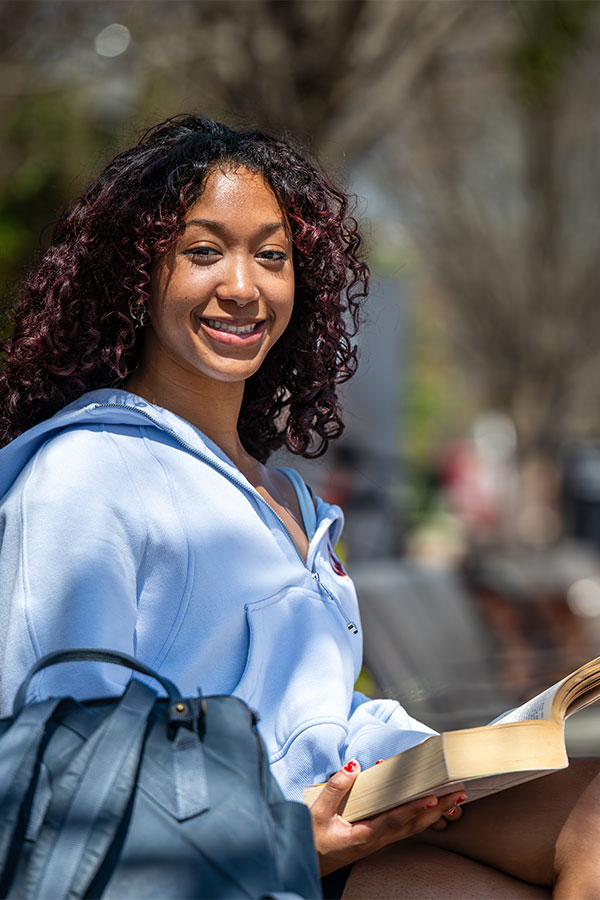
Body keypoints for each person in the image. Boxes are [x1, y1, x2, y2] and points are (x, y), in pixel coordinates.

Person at [0, 114, 599, 899]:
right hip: (227, 858)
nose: (244, 286)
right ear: (136, 273)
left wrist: (444, 752)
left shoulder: (287, 498)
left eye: (272, 257)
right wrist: (277, 834)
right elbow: (59, 754)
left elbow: (312, 706)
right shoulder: (86, 471)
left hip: (347, 821)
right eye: (203, 251)